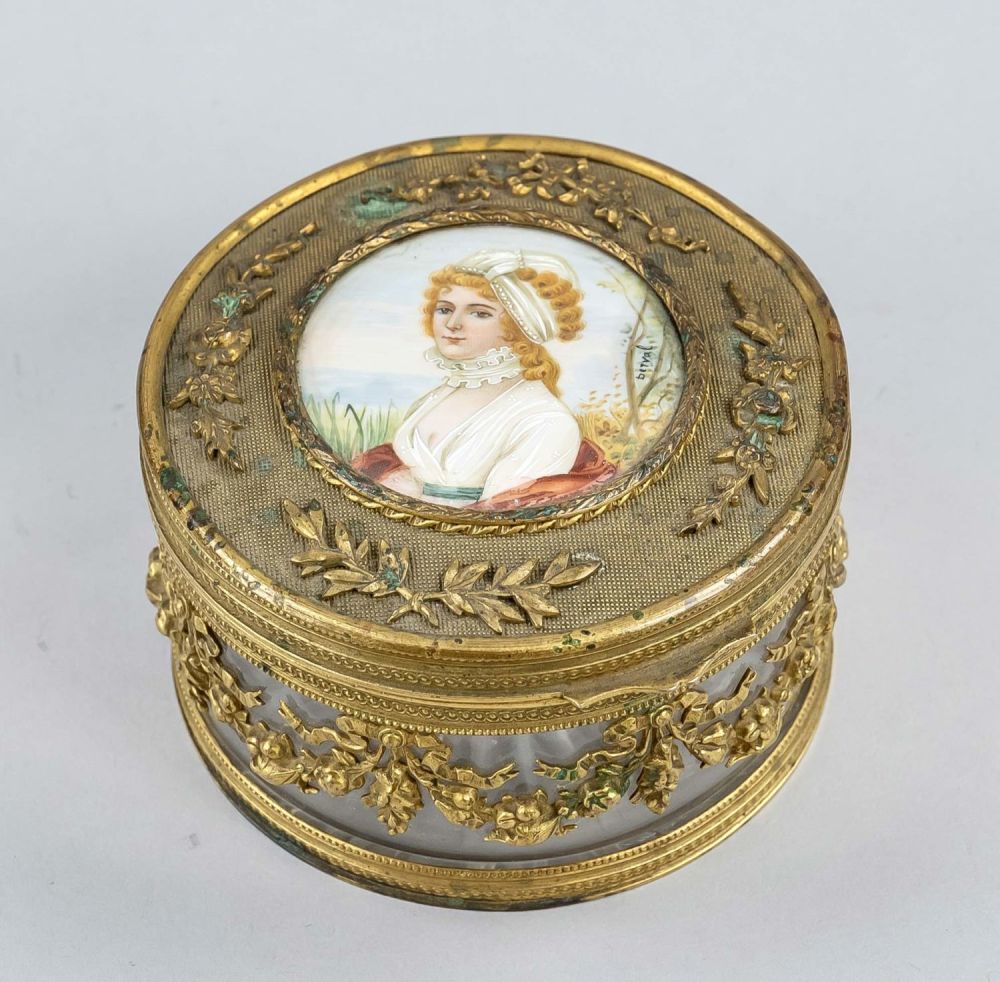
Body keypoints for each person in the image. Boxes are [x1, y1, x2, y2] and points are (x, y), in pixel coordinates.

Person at [352, 248, 615, 509]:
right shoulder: (438, 396)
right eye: (444, 309)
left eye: (479, 313)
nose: (452, 323)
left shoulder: (545, 419)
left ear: (517, 327)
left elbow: (502, 515)